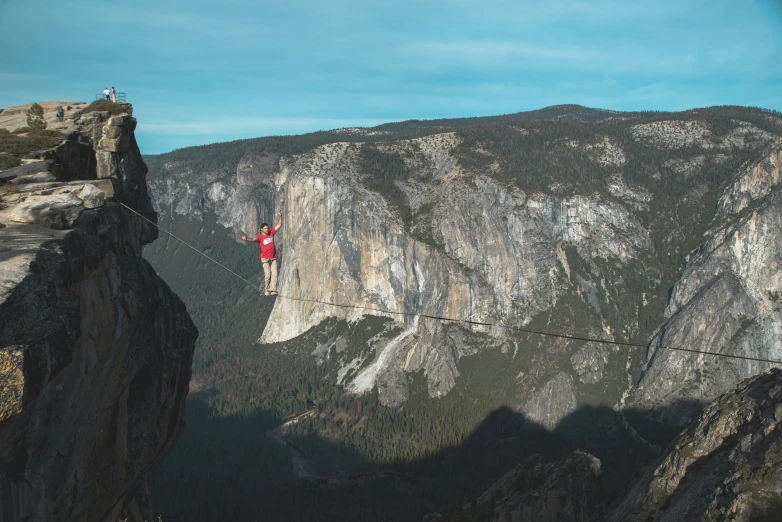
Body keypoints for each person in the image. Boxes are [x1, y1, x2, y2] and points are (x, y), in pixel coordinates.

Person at [241, 209, 283, 296]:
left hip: (273, 258)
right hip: (265, 259)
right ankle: (267, 290)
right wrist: (246, 239)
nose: (267, 229)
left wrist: (280, 215)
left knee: (275, 273)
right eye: (265, 228)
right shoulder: (260, 237)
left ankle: (273, 289)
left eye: (267, 228)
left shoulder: (271, 233)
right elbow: (253, 239)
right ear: (261, 229)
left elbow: (279, 225)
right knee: (268, 275)